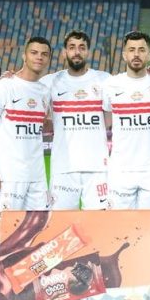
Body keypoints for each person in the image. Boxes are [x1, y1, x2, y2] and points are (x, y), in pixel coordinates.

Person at [0, 36, 52, 281]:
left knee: (37, 231)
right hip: (9, 175)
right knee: (1, 230)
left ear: (48, 59)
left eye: (44, 54)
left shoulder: (44, 91)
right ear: (24, 55)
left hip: (37, 176)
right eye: (34, 52)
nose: (39, 57)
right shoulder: (4, 87)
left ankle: (27, 285)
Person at [41, 30, 111, 210]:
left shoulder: (105, 80)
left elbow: (111, 116)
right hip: (63, 168)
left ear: (88, 52)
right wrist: (12, 77)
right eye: (72, 47)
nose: (77, 52)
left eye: (82, 47)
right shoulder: (50, 82)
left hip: (97, 168)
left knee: (100, 221)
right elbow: (24, 87)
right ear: (64, 52)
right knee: (61, 223)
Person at [102, 31, 150, 209]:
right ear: (124, 55)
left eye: (141, 50)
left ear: (149, 55)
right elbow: (106, 119)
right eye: (131, 50)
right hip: (121, 169)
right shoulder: (111, 85)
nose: (136, 54)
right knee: (119, 223)